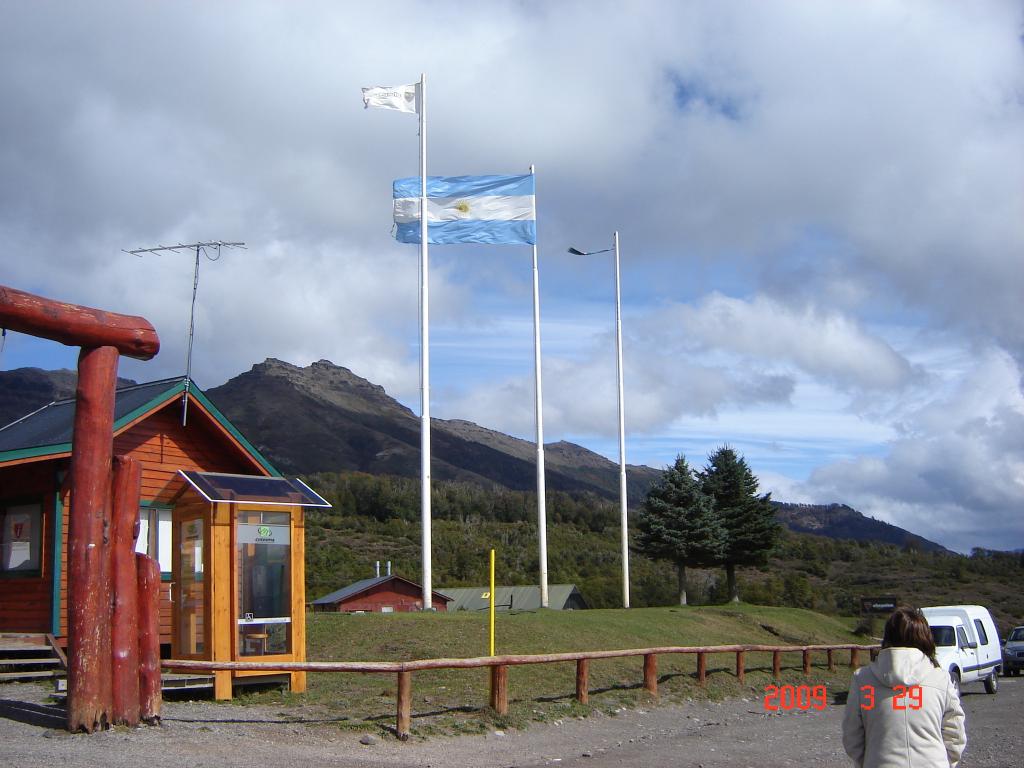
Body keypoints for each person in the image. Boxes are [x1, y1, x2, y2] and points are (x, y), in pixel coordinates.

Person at [842, 606, 966, 767]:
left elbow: (852, 737)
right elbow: (955, 734)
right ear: (925, 638)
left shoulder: (863, 680)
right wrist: (943, 762)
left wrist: (869, 761)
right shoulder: (941, 679)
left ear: (887, 637)